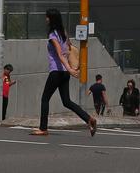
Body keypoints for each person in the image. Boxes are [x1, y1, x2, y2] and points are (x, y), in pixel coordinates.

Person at [31, 8, 97, 136]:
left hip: (57, 71)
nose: (46, 19)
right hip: (64, 74)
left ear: (51, 19)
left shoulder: (52, 36)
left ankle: (43, 128)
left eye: (47, 17)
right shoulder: (63, 33)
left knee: (45, 99)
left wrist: (70, 69)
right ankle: (89, 119)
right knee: (67, 101)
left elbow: (60, 55)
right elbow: (68, 49)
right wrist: (69, 69)